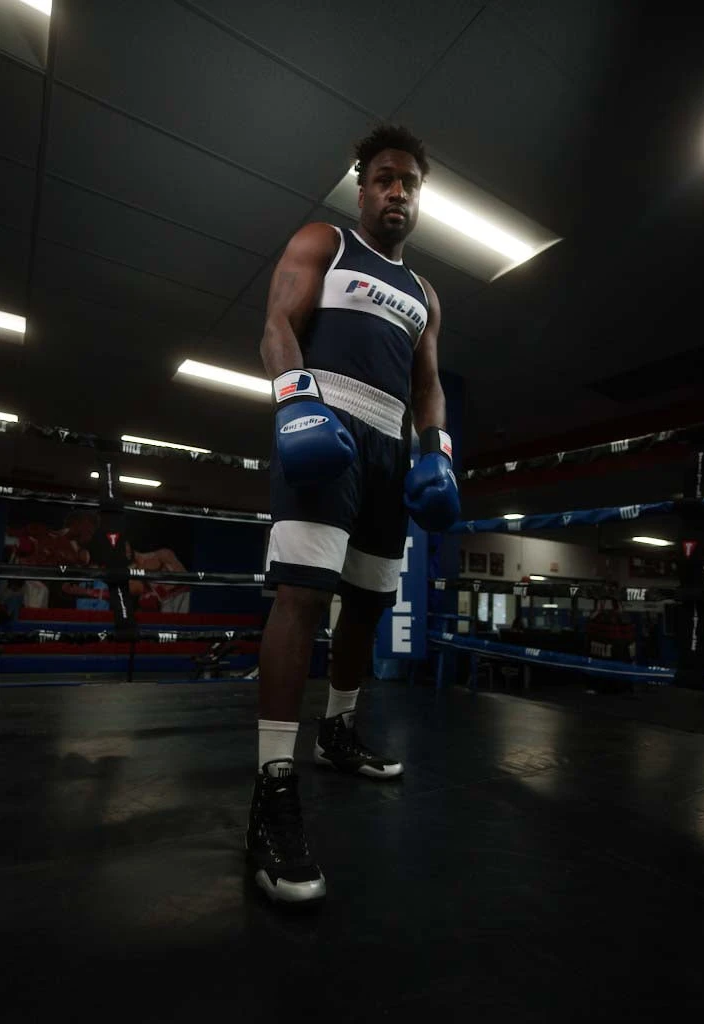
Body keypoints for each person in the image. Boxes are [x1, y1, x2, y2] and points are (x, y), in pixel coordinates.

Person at [246, 124, 461, 904]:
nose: (396, 191)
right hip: (325, 427)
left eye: (409, 182)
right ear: (361, 185)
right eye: (384, 178)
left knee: (368, 604)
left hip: (390, 453)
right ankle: (273, 790)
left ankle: (337, 730)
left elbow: (429, 380)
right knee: (302, 596)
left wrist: (435, 448)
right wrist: (295, 401)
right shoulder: (325, 242)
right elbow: (276, 326)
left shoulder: (424, 294)